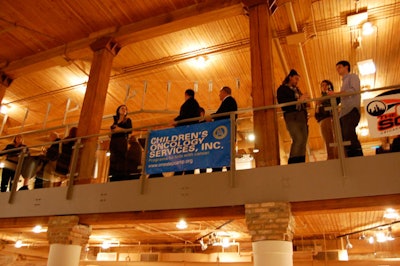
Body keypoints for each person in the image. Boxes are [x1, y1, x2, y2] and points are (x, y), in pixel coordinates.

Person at [277, 69, 309, 164]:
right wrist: (299, 100)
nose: (296, 81)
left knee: (303, 139)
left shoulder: (297, 90)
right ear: (290, 77)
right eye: (295, 78)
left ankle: (300, 160)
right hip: (291, 115)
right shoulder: (282, 89)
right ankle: (293, 161)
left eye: (298, 79)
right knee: (298, 138)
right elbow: (283, 103)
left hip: (301, 115)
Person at [333, 60, 363, 157]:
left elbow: (353, 90)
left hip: (351, 109)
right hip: (344, 112)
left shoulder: (353, 77)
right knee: (344, 135)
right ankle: (351, 155)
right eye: (337, 68)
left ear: (346, 67)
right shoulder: (343, 82)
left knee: (349, 133)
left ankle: (357, 156)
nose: (338, 69)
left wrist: (336, 94)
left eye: (340, 67)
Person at [173, 89, 200, 175]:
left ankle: (180, 172)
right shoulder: (196, 104)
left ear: (186, 95)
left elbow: (184, 116)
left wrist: (176, 121)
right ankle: (189, 172)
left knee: (183, 153)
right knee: (191, 153)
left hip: (185, 132)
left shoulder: (187, 104)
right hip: (193, 132)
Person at [211, 86, 238, 171]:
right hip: (227, 131)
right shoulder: (229, 101)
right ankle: (224, 169)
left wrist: (211, 117)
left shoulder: (229, 101)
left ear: (224, 92)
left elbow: (222, 114)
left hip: (226, 132)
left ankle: (222, 169)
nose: (219, 95)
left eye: (220, 93)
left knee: (224, 151)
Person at [315, 80, 339, 160]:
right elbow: (316, 112)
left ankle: (336, 156)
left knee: (335, 138)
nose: (323, 87)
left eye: (325, 85)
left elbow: (337, 101)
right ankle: (331, 156)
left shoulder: (331, 95)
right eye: (322, 85)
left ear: (329, 86)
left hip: (331, 117)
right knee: (328, 140)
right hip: (323, 119)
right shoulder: (319, 99)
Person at [109, 105, 132, 181]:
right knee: (113, 158)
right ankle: (112, 175)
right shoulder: (115, 121)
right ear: (118, 110)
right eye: (122, 108)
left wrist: (119, 129)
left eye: (126, 109)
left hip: (122, 141)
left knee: (121, 157)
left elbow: (130, 130)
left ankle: (121, 176)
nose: (124, 109)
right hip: (114, 141)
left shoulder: (128, 120)